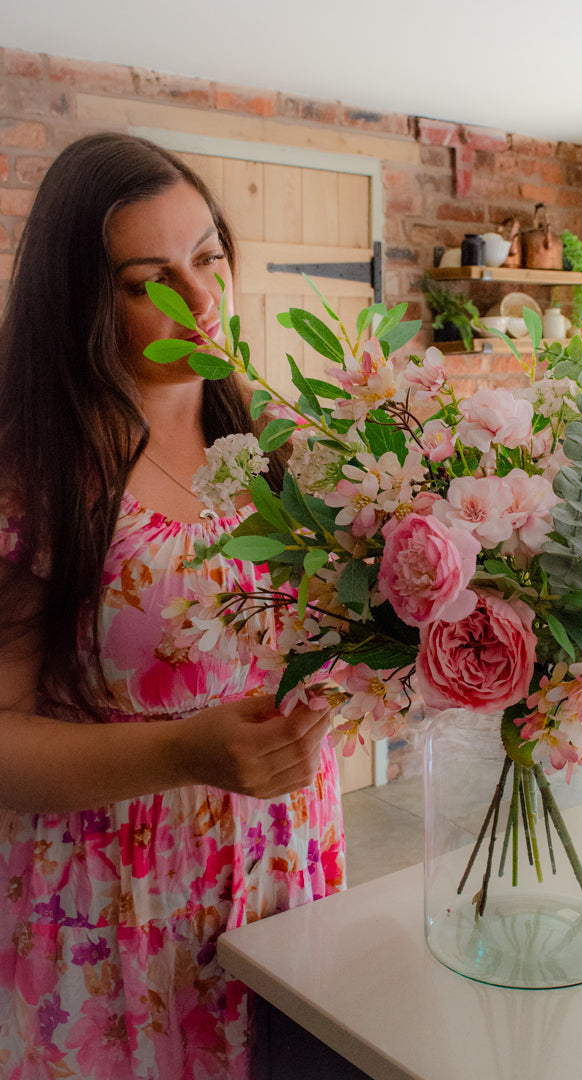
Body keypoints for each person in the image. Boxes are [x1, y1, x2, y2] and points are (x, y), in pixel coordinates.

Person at [0, 132, 345, 1078]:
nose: (198, 301)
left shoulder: (294, 445)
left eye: (207, 258)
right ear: (80, 303)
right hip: (114, 914)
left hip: (284, 878)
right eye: (148, 279)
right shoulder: (39, 484)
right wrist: (180, 750)